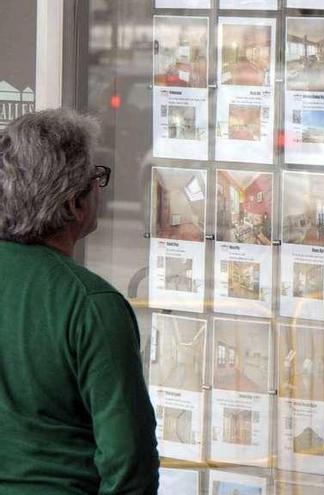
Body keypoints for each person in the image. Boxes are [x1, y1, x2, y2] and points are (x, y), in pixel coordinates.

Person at [0, 109, 159, 494]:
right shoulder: (91, 304)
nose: (100, 187)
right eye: (96, 178)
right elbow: (128, 463)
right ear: (74, 204)